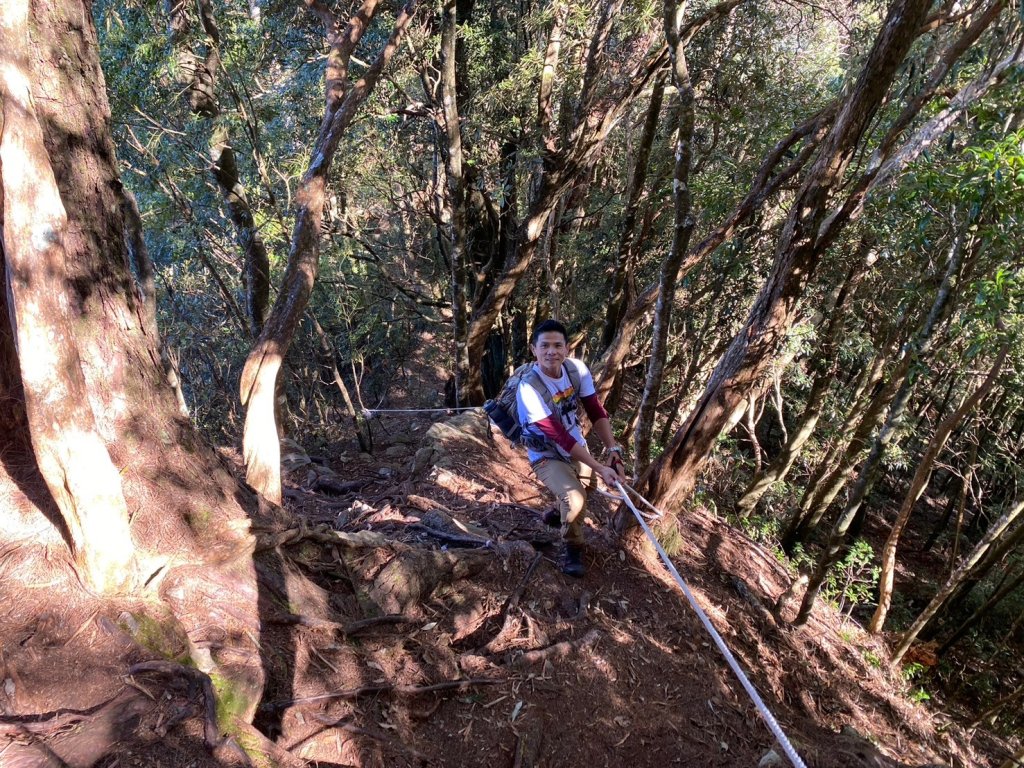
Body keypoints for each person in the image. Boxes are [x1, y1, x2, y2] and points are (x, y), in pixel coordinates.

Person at [515, 319, 625, 577]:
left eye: (557, 345)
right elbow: (558, 437)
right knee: (575, 499)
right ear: (534, 349)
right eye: (545, 346)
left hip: (575, 443)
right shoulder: (528, 388)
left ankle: (556, 513)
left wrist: (613, 451)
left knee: (588, 487)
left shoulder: (576, 370)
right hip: (545, 452)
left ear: (566, 349)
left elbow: (595, 410)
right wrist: (599, 466)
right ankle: (572, 547)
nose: (551, 351)